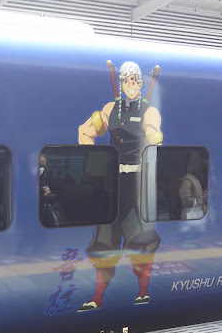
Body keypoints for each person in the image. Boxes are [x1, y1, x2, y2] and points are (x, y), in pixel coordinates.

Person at [77, 61, 162, 311]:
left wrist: (153, 138)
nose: (130, 85)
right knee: (103, 243)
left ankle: (143, 293)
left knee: (142, 241)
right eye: (126, 81)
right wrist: (92, 162)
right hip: (112, 185)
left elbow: (154, 137)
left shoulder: (149, 112)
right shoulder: (110, 109)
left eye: (135, 81)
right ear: (121, 84)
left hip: (136, 185)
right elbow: (85, 131)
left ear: (141, 83)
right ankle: (98, 297)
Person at [39, 153, 66, 227]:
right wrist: (43, 197)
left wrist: (49, 194)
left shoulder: (43, 180)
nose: (41, 168)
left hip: (43, 219)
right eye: (39, 165)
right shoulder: (25, 181)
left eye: (43, 166)